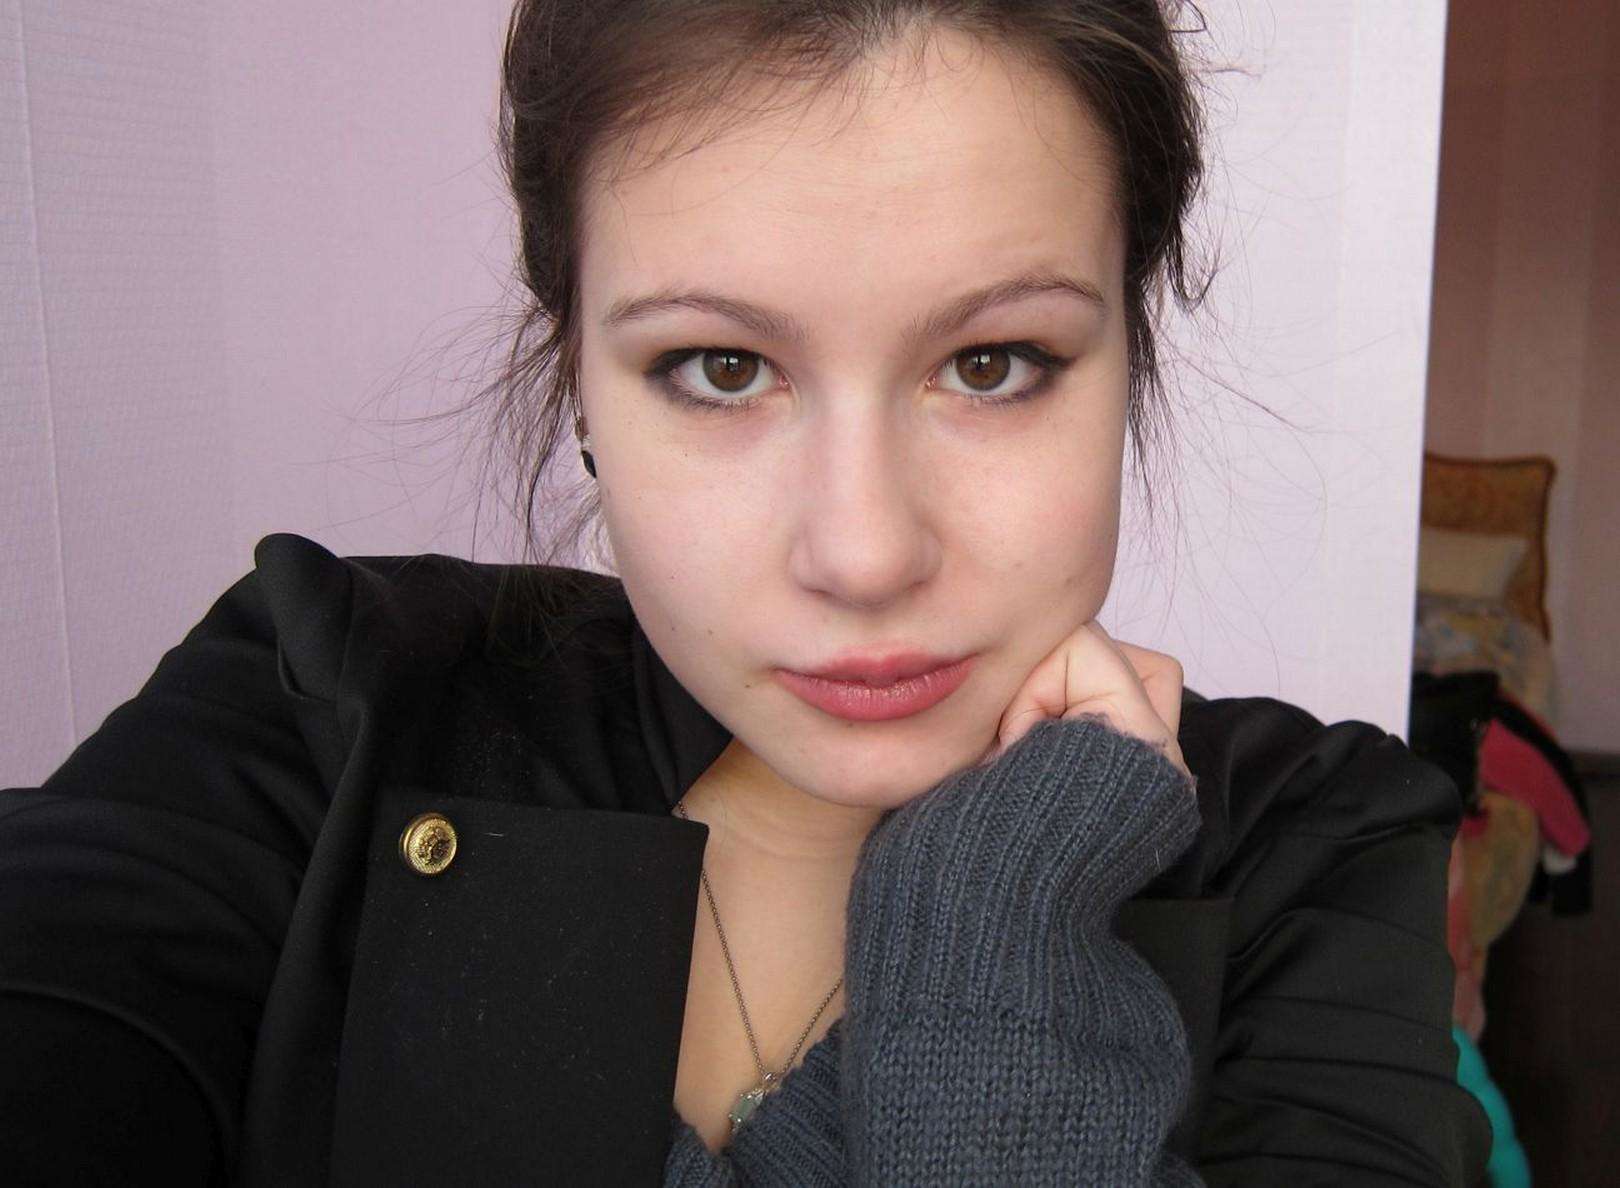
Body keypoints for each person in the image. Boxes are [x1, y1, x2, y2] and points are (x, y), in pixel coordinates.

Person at [0, 2, 1491, 1184]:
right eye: (721, 369)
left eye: (992, 364)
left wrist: (990, 947)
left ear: (1128, 363)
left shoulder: (1310, 843)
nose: (863, 552)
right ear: (580, 380)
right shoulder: (317, 703)